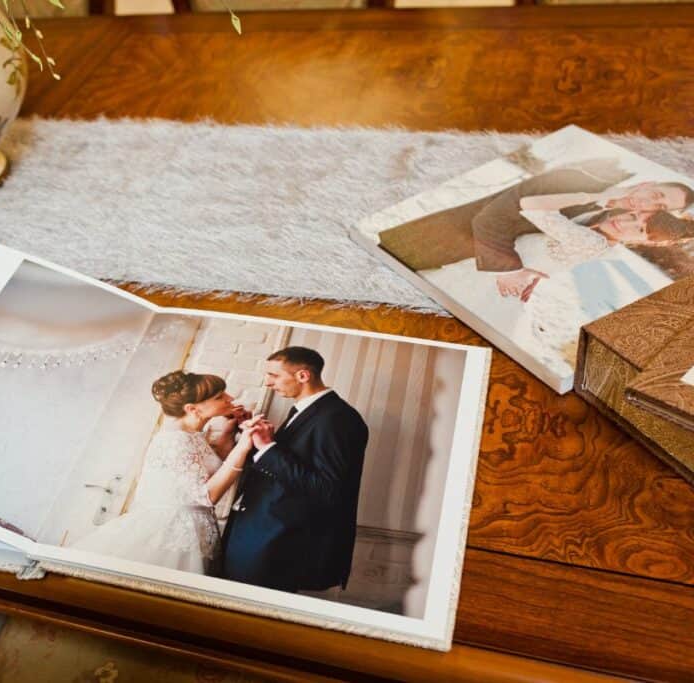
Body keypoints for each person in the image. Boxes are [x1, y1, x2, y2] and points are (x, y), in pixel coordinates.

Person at [378, 161, 694, 301]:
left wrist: (530, 272)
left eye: (661, 208)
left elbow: (557, 248)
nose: (649, 206)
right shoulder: (582, 180)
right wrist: (512, 270)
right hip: (448, 237)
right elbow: (491, 220)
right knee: (387, 260)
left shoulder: (608, 221)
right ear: (648, 184)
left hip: (474, 266)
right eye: (657, 195)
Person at [72, 371, 256, 574]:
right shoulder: (174, 441)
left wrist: (230, 431)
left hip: (195, 532)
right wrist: (244, 446)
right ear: (192, 409)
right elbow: (208, 495)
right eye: (219, 396)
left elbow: (211, 467)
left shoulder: (191, 435)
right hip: (169, 534)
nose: (230, 398)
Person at [220, 346, 369, 593]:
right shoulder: (304, 411)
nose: (267, 383)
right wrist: (248, 435)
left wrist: (269, 447)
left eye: (274, 375)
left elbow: (327, 489)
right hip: (256, 533)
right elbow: (284, 469)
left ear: (303, 376)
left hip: (278, 544)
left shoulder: (337, 418)